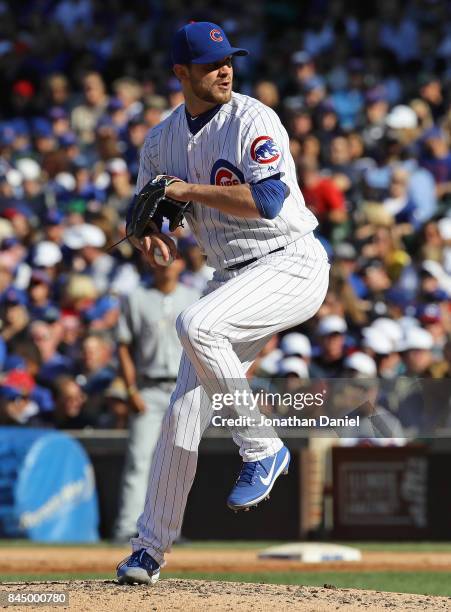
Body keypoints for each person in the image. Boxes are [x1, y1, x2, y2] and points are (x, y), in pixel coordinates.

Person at [117, 22, 330, 585]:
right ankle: (149, 550)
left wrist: (183, 192)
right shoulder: (160, 141)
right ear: (181, 73)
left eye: (228, 60)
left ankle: (262, 448)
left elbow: (267, 199)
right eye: (211, 64)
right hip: (232, 277)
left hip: (290, 260)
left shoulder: (253, 118)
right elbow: (156, 213)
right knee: (182, 416)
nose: (225, 69)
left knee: (196, 323)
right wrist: (152, 235)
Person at [114, 256, 200, 542]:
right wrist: (130, 390)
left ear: (180, 264)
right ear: (152, 263)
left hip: (184, 387)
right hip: (148, 388)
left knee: (179, 461)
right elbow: (124, 347)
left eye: (172, 259)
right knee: (139, 459)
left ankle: (169, 532)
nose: (165, 264)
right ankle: (127, 526)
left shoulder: (193, 296)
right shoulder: (135, 298)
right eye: (160, 258)